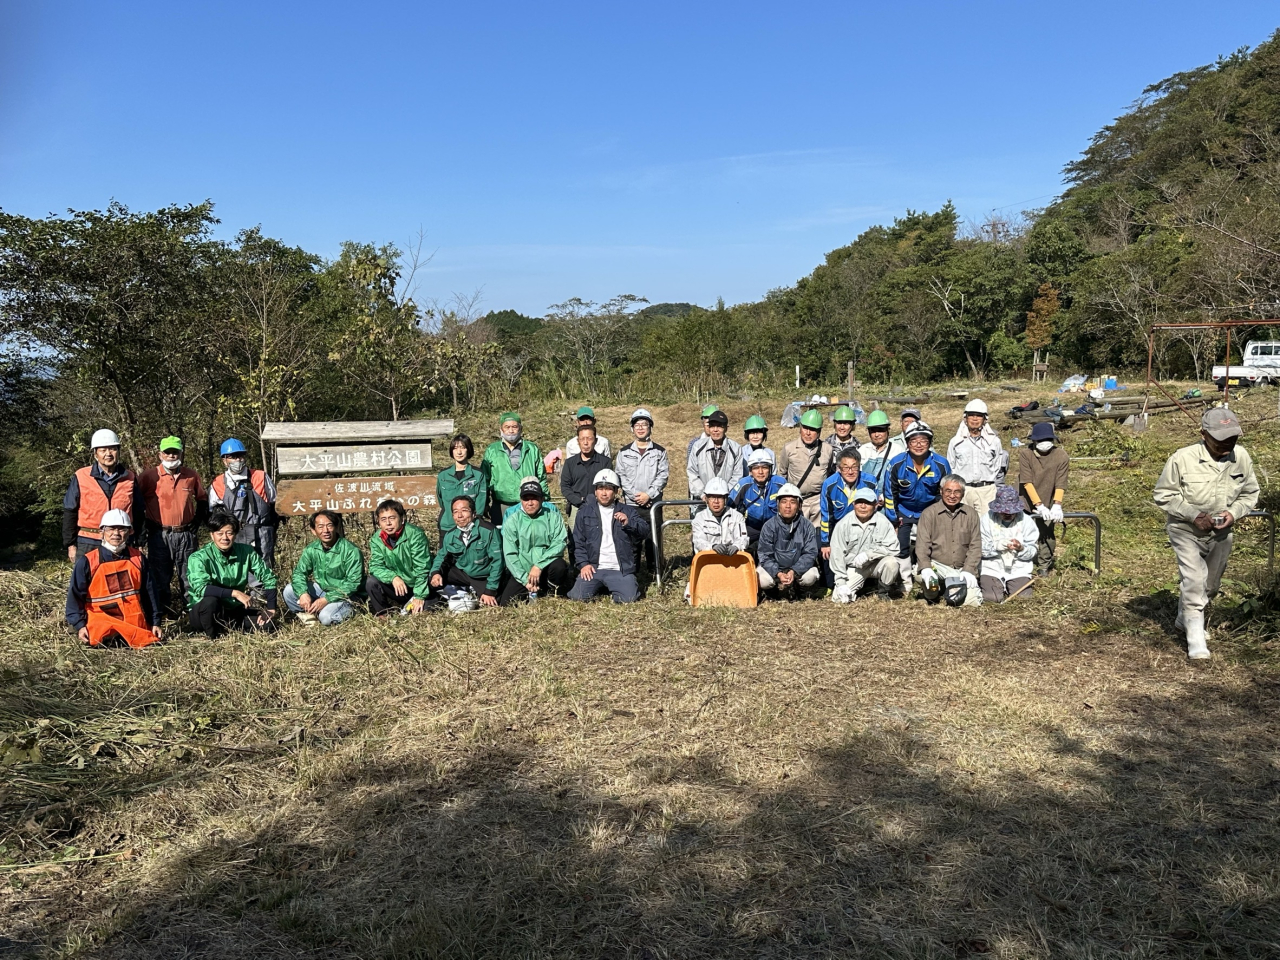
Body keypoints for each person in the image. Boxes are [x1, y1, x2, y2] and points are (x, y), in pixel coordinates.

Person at [1153, 407, 1259, 660]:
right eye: (1221, 438)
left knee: (1210, 584)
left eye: (1232, 437)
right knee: (1194, 580)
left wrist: (1234, 513)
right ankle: (1196, 638)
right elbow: (1163, 494)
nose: (1228, 443)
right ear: (1204, 434)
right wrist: (1194, 515)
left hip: (1222, 532)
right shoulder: (1182, 458)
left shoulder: (1241, 457)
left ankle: (1185, 618)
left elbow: (1250, 493)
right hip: (1185, 529)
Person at [65, 509, 161, 648]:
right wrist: (80, 626)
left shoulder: (138, 559)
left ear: (129, 532)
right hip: (101, 627)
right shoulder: (88, 561)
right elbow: (75, 596)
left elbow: (150, 593)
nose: (116, 534)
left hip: (134, 625)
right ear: (102, 531)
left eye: (122, 529)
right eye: (111, 529)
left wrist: (155, 622)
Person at [137, 435, 205, 615]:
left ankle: (193, 613)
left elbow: (203, 500)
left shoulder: (191, 475)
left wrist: (197, 521)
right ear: (160, 454)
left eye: (175, 452)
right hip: (160, 534)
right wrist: (143, 529)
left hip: (186, 534)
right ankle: (163, 614)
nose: (171, 456)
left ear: (181, 453)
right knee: (160, 577)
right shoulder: (148, 477)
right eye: (167, 452)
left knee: (190, 575)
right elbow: (136, 503)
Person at [187, 509, 279, 638]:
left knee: (268, 625)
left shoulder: (246, 552)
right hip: (205, 612)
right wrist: (235, 593)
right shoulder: (199, 557)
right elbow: (201, 588)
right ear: (212, 535)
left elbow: (268, 578)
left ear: (235, 534)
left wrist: (271, 608)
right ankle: (212, 636)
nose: (224, 538)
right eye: (220, 533)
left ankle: (226, 629)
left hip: (232, 609)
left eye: (229, 533)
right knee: (211, 602)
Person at [883, 422, 951, 589]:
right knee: (901, 545)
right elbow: (890, 493)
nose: (919, 445)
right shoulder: (896, 464)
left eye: (924, 441)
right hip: (904, 511)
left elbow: (945, 492)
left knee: (929, 545)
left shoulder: (941, 464)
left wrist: (939, 516)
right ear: (907, 443)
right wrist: (894, 518)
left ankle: (927, 577)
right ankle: (904, 581)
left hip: (929, 511)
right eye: (914, 440)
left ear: (930, 443)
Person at [568, 469, 651, 604]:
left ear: (616, 491)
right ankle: (600, 585)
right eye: (600, 488)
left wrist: (628, 523)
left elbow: (644, 531)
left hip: (620, 568)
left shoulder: (628, 511)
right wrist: (584, 564)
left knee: (629, 599)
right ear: (595, 491)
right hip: (594, 567)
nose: (604, 493)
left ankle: (615, 585)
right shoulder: (584, 512)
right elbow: (578, 541)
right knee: (577, 597)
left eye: (608, 489)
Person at [62, 428, 143, 561]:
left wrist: (139, 542)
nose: (108, 454)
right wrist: (70, 544)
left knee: (123, 580)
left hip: (122, 541)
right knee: (87, 581)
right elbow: (70, 511)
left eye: (112, 449)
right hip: (89, 541)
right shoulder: (81, 476)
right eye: (103, 450)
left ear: (118, 452)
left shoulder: (130, 477)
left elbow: (138, 511)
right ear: (95, 454)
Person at [499, 477, 574, 604]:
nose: (530, 503)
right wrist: (524, 580)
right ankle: (531, 588)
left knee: (559, 566)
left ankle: (550, 589)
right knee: (506, 602)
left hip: (545, 567)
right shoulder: (512, 521)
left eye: (534, 498)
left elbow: (559, 543)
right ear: (521, 500)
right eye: (526, 499)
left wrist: (538, 566)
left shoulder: (553, 516)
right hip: (523, 571)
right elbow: (510, 554)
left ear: (542, 499)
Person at [284, 510, 364, 626]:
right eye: (320, 527)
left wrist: (326, 599)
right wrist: (303, 593)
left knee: (326, 618)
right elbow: (299, 573)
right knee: (289, 590)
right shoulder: (312, 549)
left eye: (329, 525)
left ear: (336, 527)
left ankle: (353, 610)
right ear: (313, 530)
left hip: (346, 596)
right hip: (322, 589)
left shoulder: (351, 551)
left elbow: (353, 583)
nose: (325, 531)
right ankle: (310, 621)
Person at [209, 438, 279, 566]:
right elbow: (214, 513)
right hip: (233, 535)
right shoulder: (217, 483)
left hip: (261, 533)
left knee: (263, 572)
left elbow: (275, 503)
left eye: (240, 456)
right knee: (234, 570)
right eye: (233, 456)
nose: (238, 460)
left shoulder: (260, 476)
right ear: (224, 460)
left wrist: (273, 528)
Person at [914, 474, 982, 607]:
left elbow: (976, 545)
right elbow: (922, 545)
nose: (952, 496)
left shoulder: (971, 514)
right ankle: (932, 594)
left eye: (957, 492)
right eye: (948, 491)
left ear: (963, 494)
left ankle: (953, 588)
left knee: (971, 603)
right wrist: (926, 567)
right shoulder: (929, 513)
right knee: (921, 574)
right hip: (938, 565)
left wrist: (969, 569)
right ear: (941, 491)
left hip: (961, 568)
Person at [615, 408, 669, 573]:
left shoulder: (660, 451)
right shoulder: (623, 453)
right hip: (631, 504)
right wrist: (635, 496)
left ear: (650, 427)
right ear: (632, 428)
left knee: (654, 539)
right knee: (633, 539)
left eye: (644, 424)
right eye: (637, 425)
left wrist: (649, 494)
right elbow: (621, 476)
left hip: (653, 504)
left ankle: (656, 572)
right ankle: (633, 573)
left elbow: (663, 475)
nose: (640, 428)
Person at [429, 496, 505, 607]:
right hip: (463, 572)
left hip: (483, 575)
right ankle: (459, 592)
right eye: (455, 512)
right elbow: (441, 557)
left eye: (464, 510)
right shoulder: (450, 535)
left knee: (495, 601)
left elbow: (498, 562)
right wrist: (436, 573)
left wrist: (490, 590)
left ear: (474, 513)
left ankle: (474, 590)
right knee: (431, 579)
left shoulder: (488, 531)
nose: (459, 516)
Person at [829, 488, 901, 603]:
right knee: (839, 599)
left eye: (867, 503)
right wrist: (841, 582)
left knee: (892, 563)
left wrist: (869, 555)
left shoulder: (884, 522)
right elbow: (837, 555)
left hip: (876, 564)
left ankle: (884, 592)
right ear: (853, 504)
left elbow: (894, 548)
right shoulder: (843, 524)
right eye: (859, 502)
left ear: (876, 505)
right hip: (854, 567)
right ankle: (859, 588)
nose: (863, 506)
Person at [686, 477, 750, 601]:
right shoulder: (699, 518)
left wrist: (737, 546)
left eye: (720, 497)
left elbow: (744, 538)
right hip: (708, 565)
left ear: (725, 499)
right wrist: (712, 547)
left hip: (732, 564)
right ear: (707, 499)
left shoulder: (737, 517)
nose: (716, 501)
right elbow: (698, 541)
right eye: (712, 497)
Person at [366, 499, 434, 615]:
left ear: (402, 519)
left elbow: (422, 567)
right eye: (383, 519)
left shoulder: (415, 535)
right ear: (379, 522)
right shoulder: (376, 539)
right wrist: (393, 577)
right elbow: (375, 566)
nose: (388, 523)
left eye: (392, 518)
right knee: (371, 582)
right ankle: (383, 613)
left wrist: (419, 595)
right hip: (399, 586)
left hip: (419, 584)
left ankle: (424, 600)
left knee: (422, 612)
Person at [1018, 421, 1069, 574]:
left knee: (1046, 533)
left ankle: (1044, 565)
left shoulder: (1061, 456)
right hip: (1026, 499)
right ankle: (1023, 564)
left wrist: (1057, 504)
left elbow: (1061, 482)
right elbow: (1027, 482)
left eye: (1048, 440)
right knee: (1023, 532)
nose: (1044, 443)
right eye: (1040, 440)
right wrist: (1038, 505)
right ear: (1034, 441)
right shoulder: (1026, 454)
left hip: (1049, 498)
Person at [482, 412, 547, 526]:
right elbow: (485, 479)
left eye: (514, 427)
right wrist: (485, 503)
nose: (511, 431)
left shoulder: (531, 449)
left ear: (520, 429)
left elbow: (541, 476)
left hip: (528, 503)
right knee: (502, 539)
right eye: (507, 427)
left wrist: (545, 500)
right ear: (501, 429)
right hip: (501, 505)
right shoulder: (492, 450)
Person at [559, 423, 612, 563]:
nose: (586, 442)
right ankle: (576, 569)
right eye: (582, 439)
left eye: (589, 438)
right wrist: (579, 500)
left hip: (600, 507)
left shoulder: (605, 462)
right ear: (578, 441)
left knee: (599, 539)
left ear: (595, 440)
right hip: (577, 507)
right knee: (575, 540)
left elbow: (609, 485)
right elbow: (565, 487)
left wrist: (597, 500)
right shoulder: (570, 463)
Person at [757, 483, 820, 599]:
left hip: (796, 568)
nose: (788, 506)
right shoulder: (769, 526)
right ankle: (772, 590)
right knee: (762, 578)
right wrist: (778, 573)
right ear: (778, 504)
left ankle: (799, 588)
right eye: (784, 501)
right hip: (776, 567)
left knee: (811, 575)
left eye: (792, 502)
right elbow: (764, 554)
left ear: (799, 506)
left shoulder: (807, 526)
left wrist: (794, 571)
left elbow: (810, 553)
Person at [979, 484, 1039, 603]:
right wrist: (996, 547)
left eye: (1011, 512)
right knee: (991, 598)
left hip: (1018, 567)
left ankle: (1012, 585)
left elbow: (1033, 549)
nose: (1007, 514)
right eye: (1003, 511)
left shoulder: (1026, 521)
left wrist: (1021, 548)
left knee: (1023, 598)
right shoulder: (986, 520)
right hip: (992, 566)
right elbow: (979, 548)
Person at [777, 409, 835, 526]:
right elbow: (781, 474)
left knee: (817, 536)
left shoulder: (827, 450)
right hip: (796, 500)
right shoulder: (789, 448)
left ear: (819, 432)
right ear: (800, 428)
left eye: (813, 430)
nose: (808, 433)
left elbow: (829, 473)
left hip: (818, 500)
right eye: (805, 428)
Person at [946, 399, 1005, 514]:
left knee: (986, 525)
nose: (974, 419)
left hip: (986, 490)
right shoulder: (955, 442)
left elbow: (997, 465)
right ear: (965, 418)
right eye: (971, 415)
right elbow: (951, 465)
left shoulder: (994, 441)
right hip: (963, 490)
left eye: (978, 416)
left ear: (984, 419)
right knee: (963, 524)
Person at [818, 449, 877, 561]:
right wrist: (826, 543)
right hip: (838, 530)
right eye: (845, 467)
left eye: (854, 467)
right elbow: (826, 516)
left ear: (859, 467)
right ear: (839, 469)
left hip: (864, 529)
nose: (850, 472)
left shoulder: (870, 482)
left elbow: (875, 512)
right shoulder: (829, 484)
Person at [730, 449, 786, 548]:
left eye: (764, 467)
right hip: (751, 527)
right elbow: (729, 504)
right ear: (750, 471)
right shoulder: (744, 484)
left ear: (770, 469)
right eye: (756, 468)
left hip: (776, 526)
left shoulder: (780, 483)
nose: (760, 472)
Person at [435, 434, 488, 537]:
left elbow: (481, 502)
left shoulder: (478, 474)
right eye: (455, 448)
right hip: (448, 526)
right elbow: (441, 500)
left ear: (468, 450)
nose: (459, 452)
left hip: (470, 525)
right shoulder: (443, 475)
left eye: (463, 448)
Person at [687, 410, 743, 506]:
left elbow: (737, 476)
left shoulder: (736, 449)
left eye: (719, 426)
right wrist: (704, 494)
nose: (715, 430)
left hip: (727, 502)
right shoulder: (698, 446)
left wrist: (724, 494)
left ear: (726, 428)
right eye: (712, 426)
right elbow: (692, 473)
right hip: (702, 502)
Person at [858, 410, 904, 491]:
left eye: (880, 430)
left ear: (888, 430)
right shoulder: (862, 451)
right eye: (873, 431)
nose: (876, 434)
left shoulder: (898, 451)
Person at [823, 406, 861, 473]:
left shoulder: (858, 447)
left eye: (846, 423)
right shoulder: (825, 445)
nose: (842, 427)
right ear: (835, 424)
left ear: (852, 425)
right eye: (839, 423)